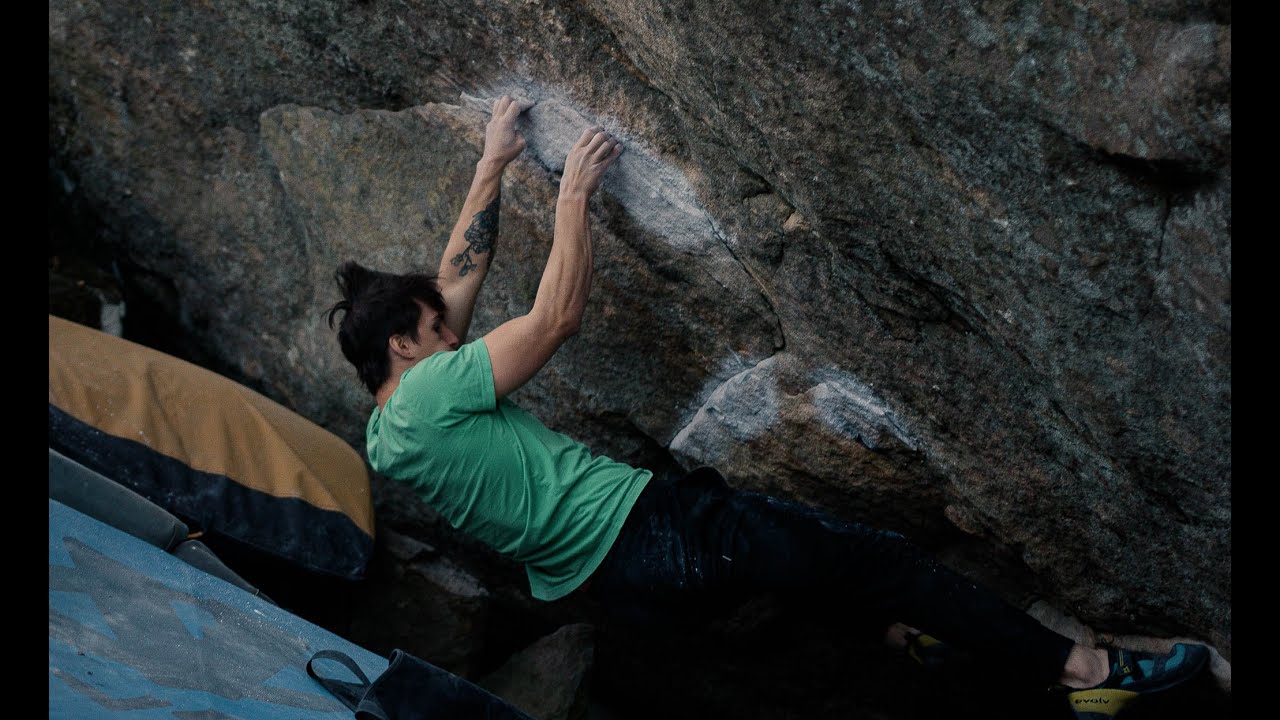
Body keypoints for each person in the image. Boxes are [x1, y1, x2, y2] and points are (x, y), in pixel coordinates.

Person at [325, 95, 1210, 718]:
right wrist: (572, 196)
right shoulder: (439, 384)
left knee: (816, 581)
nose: (453, 328)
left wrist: (492, 162)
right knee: (881, 557)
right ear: (405, 346)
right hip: (657, 533)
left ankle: (920, 636)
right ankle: (1089, 673)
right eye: (437, 330)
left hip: (618, 584)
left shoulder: (391, 430)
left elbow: (449, 281)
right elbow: (553, 317)